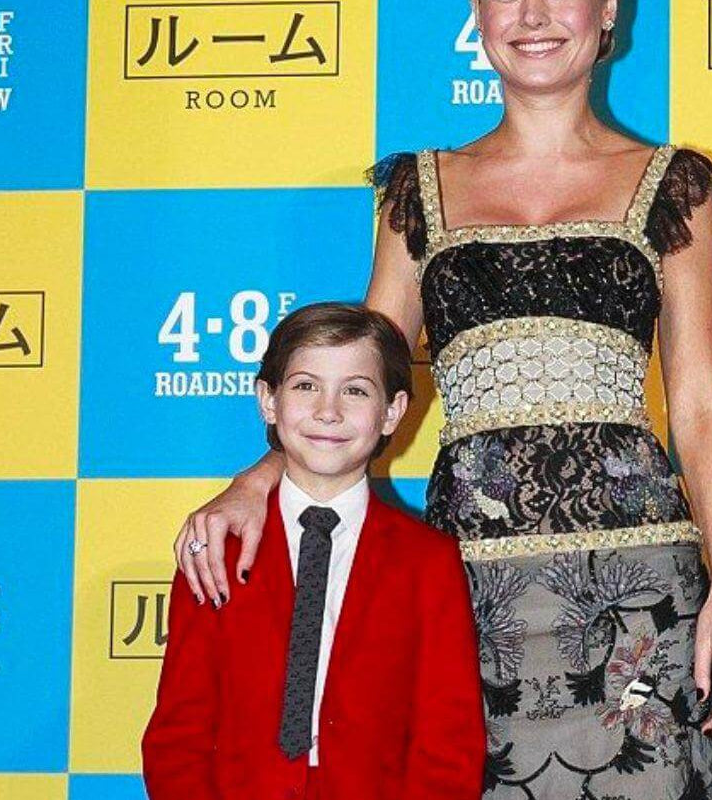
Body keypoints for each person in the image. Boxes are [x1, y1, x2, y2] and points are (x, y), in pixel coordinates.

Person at [174, 0, 712, 797]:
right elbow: (358, 376)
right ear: (478, 17)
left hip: (641, 591)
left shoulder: (673, 186)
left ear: (608, 9)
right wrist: (254, 481)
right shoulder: (418, 191)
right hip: (471, 589)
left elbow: (698, 401)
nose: (533, 15)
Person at [143, 303, 486, 800]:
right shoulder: (215, 548)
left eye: (355, 390)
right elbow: (178, 736)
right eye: (306, 386)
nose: (329, 410)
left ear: (392, 412)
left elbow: (448, 745)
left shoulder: (427, 563)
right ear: (268, 400)